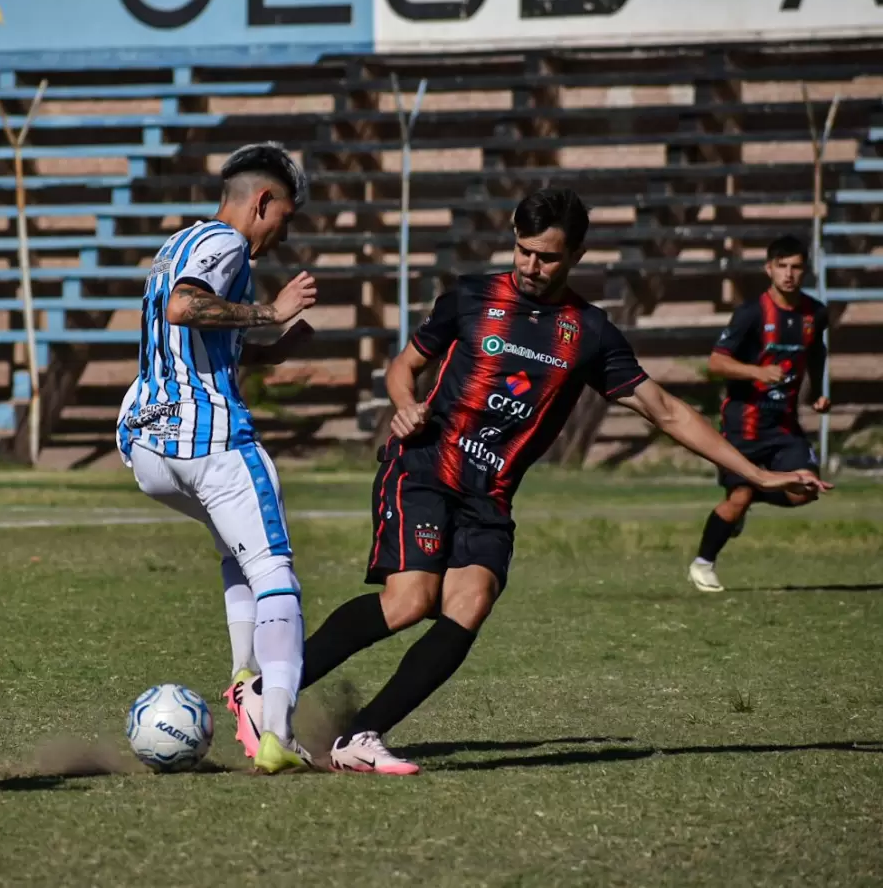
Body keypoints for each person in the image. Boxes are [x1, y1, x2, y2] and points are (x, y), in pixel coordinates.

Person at [246, 189, 830, 775]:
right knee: (410, 602)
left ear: (576, 254)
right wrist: (405, 405)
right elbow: (405, 366)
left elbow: (667, 411)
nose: (531, 265)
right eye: (523, 250)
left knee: (471, 603)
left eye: (547, 256)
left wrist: (759, 474)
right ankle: (263, 691)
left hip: (489, 493)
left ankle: (357, 737)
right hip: (424, 467)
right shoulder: (470, 297)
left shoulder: (589, 332)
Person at [115, 141, 318, 774]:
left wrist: (269, 352)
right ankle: (275, 730)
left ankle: (241, 676)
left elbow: (187, 334)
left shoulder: (177, 244)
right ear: (263, 201)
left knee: (238, 550)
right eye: (285, 216)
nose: (285, 233)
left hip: (149, 444)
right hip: (210, 441)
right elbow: (186, 306)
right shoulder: (226, 243)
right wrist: (272, 312)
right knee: (275, 572)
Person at [688, 235, 831, 593]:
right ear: (769, 269)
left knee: (805, 489)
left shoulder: (816, 313)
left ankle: (754, 490)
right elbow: (716, 362)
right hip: (744, 425)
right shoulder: (751, 313)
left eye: (796, 267)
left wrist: (820, 391)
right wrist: (757, 372)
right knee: (737, 499)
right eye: (782, 266)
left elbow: (816, 353)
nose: (789, 274)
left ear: (805, 270)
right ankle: (703, 564)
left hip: (784, 424)